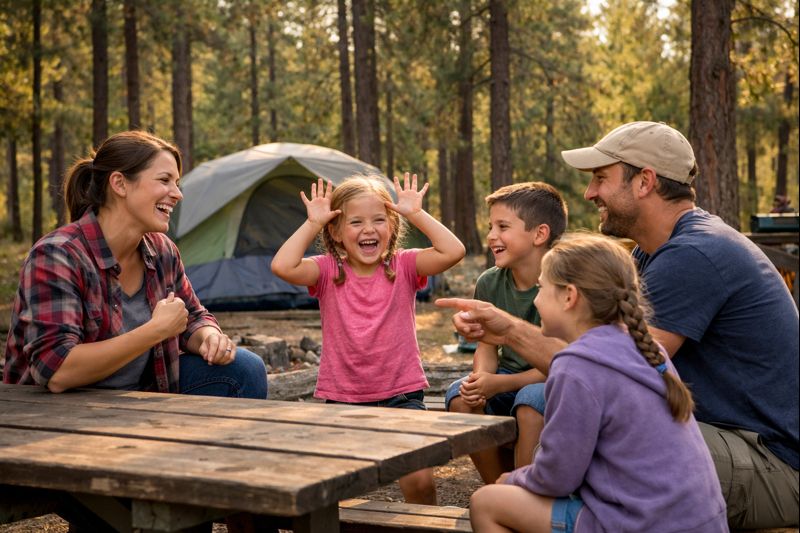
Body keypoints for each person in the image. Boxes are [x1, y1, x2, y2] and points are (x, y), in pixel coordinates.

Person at [440, 121, 799, 529]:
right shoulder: (656, 252)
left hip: (774, 463)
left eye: (600, 179)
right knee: (552, 413)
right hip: (729, 440)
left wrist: (507, 330)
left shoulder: (694, 255)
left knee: (589, 444)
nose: (591, 193)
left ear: (644, 181)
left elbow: (604, 372)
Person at [468, 233, 727, 533]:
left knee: (487, 502)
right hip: (700, 520)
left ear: (569, 296)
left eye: (541, 288)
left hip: (641, 523)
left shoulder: (577, 365)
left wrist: (512, 478)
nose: (536, 299)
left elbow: (558, 476)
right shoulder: (645, 348)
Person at [3, 131, 268, 400]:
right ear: (119, 184)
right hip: (57, 408)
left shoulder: (162, 251)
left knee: (245, 369)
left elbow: (193, 318)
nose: (177, 194)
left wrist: (209, 337)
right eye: (165, 180)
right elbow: (57, 371)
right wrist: (155, 330)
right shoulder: (57, 255)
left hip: (142, 390)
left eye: (176, 183)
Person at [271, 173, 465, 505]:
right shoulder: (328, 270)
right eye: (356, 222)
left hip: (401, 394)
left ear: (392, 225)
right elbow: (282, 265)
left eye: (379, 220)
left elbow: (453, 251)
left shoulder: (404, 265)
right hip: (343, 397)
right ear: (335, 231)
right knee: (333, 487)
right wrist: (313, 222)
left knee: (418, 479)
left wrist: (416, 213)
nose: (368, 229)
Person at [445, 182, 567, 484]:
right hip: (505, 379)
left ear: (539, 234)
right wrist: (480, 380)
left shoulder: (563, 284)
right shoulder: (490, 282)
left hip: (552, 381)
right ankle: (497, 484)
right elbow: (486, 346)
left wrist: (499, 383)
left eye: (503, 226)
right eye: (490, 226)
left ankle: (524, 491)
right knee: (460, 397)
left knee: (529, 401)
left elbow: (561, 362)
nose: (491, 236)